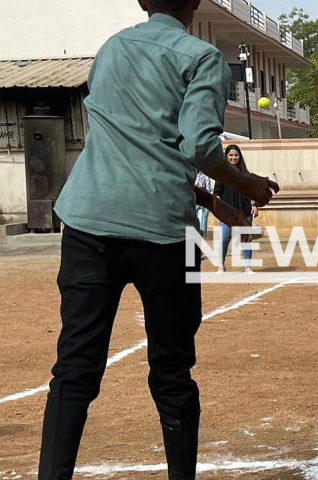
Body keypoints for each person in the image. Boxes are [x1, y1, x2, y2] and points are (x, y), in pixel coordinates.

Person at [38, 1, 279, 479]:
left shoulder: (111, 50)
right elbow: (198, 146)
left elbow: (132, 147)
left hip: (87, 222)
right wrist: (247, 185)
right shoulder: (202, 58)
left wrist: (212, 204)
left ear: (143, 1)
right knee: (172, 373)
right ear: (194, 4)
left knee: (74, 368)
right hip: (165, 232)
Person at [214, 144, 259, 275]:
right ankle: (221, 266)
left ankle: (247, 267)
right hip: (227, 214)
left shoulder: (246, 175)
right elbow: (217, 193)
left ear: (240, 157)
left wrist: (255, 205)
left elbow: (255, 192)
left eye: (236, 155)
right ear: (226, 157)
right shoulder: (221, 174)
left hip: (244, 212)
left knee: (246, 239)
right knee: (224, 239)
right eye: (231, 155)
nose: (234, 158)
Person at [195, 170, 212, 237]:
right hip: (195, 198)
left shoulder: (206, 176)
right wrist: (197, 186)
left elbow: (209, 188)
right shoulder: (192, 173)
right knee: (193, 216)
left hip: (205, 197)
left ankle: (203, 235)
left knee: (204, 217)